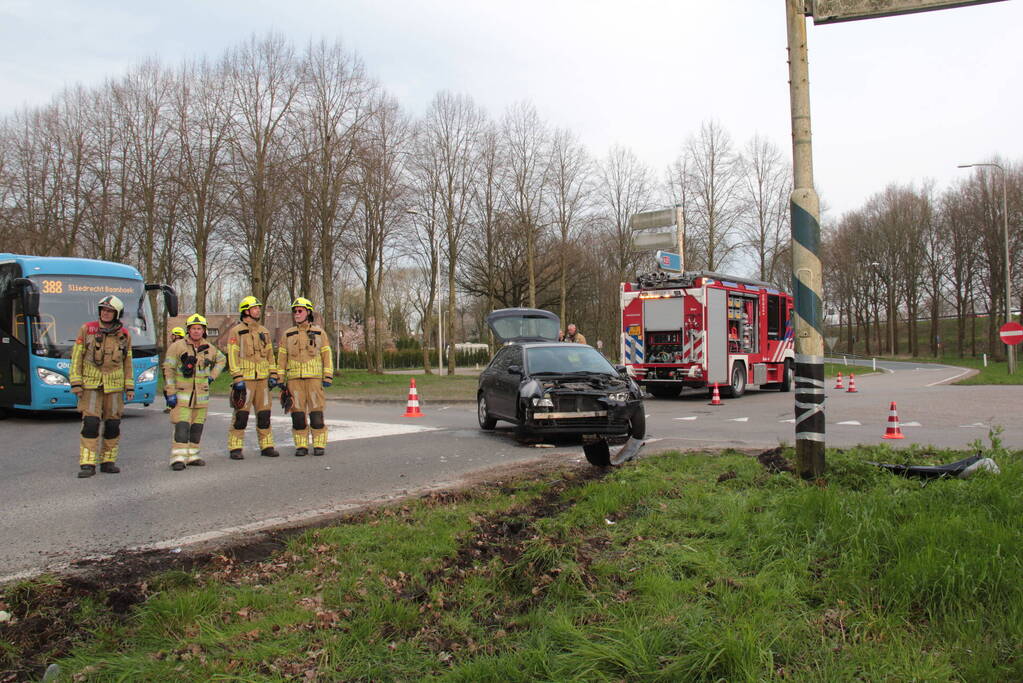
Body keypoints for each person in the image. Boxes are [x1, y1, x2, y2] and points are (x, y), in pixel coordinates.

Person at [69, 295, 133, 478]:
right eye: (103, 310)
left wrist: (129, 386)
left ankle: (108, 461)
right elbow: (77, 357)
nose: (106, 313)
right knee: (91, 423)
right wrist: (76, 383)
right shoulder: (87, 329)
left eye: (110, 311)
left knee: (113, 424)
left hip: (114, 386)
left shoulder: (124, 335)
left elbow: (127, 362)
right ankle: (87, 463)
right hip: (91, 385)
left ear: (117, 314)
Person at [163, 314, 226, 470]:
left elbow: (222, 360)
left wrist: (212, 377)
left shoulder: (209, 348)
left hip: (201, 396)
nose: (196, 331)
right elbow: (168, 369)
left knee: (197, 427)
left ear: (203, 330)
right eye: (193, 328)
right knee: (182, 426)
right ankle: (178, 458)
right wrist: (170, 391)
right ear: (188, 330)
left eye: (199, 328)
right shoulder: (177, 347)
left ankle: (193, 455)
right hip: (182, 394)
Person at [277, 297, 334, 456]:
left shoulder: (319, 333)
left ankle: (319, 445)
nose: (297, 313)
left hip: (314, 380)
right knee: (298, 415)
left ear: (308, 312)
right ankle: (301, 446)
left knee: (316, 414)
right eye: (295, 311)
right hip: (294, 381)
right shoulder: (287, 335)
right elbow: (281, 358)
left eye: (300, 311)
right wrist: (280, 379)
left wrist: (328, 376)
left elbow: (326, 356)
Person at [226, 296, 280, 459]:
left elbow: (270, 355)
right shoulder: (236, 331)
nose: (258, 310)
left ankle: (267, 446)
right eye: (255, 308)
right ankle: (235, 448)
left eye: (258, 307)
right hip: (245, 380)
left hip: (263, 381)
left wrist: (273, 374)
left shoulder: (264, 331)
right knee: (241, 416)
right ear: (246, 311)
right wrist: (237, 378)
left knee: (264, 415)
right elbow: (232, 356)